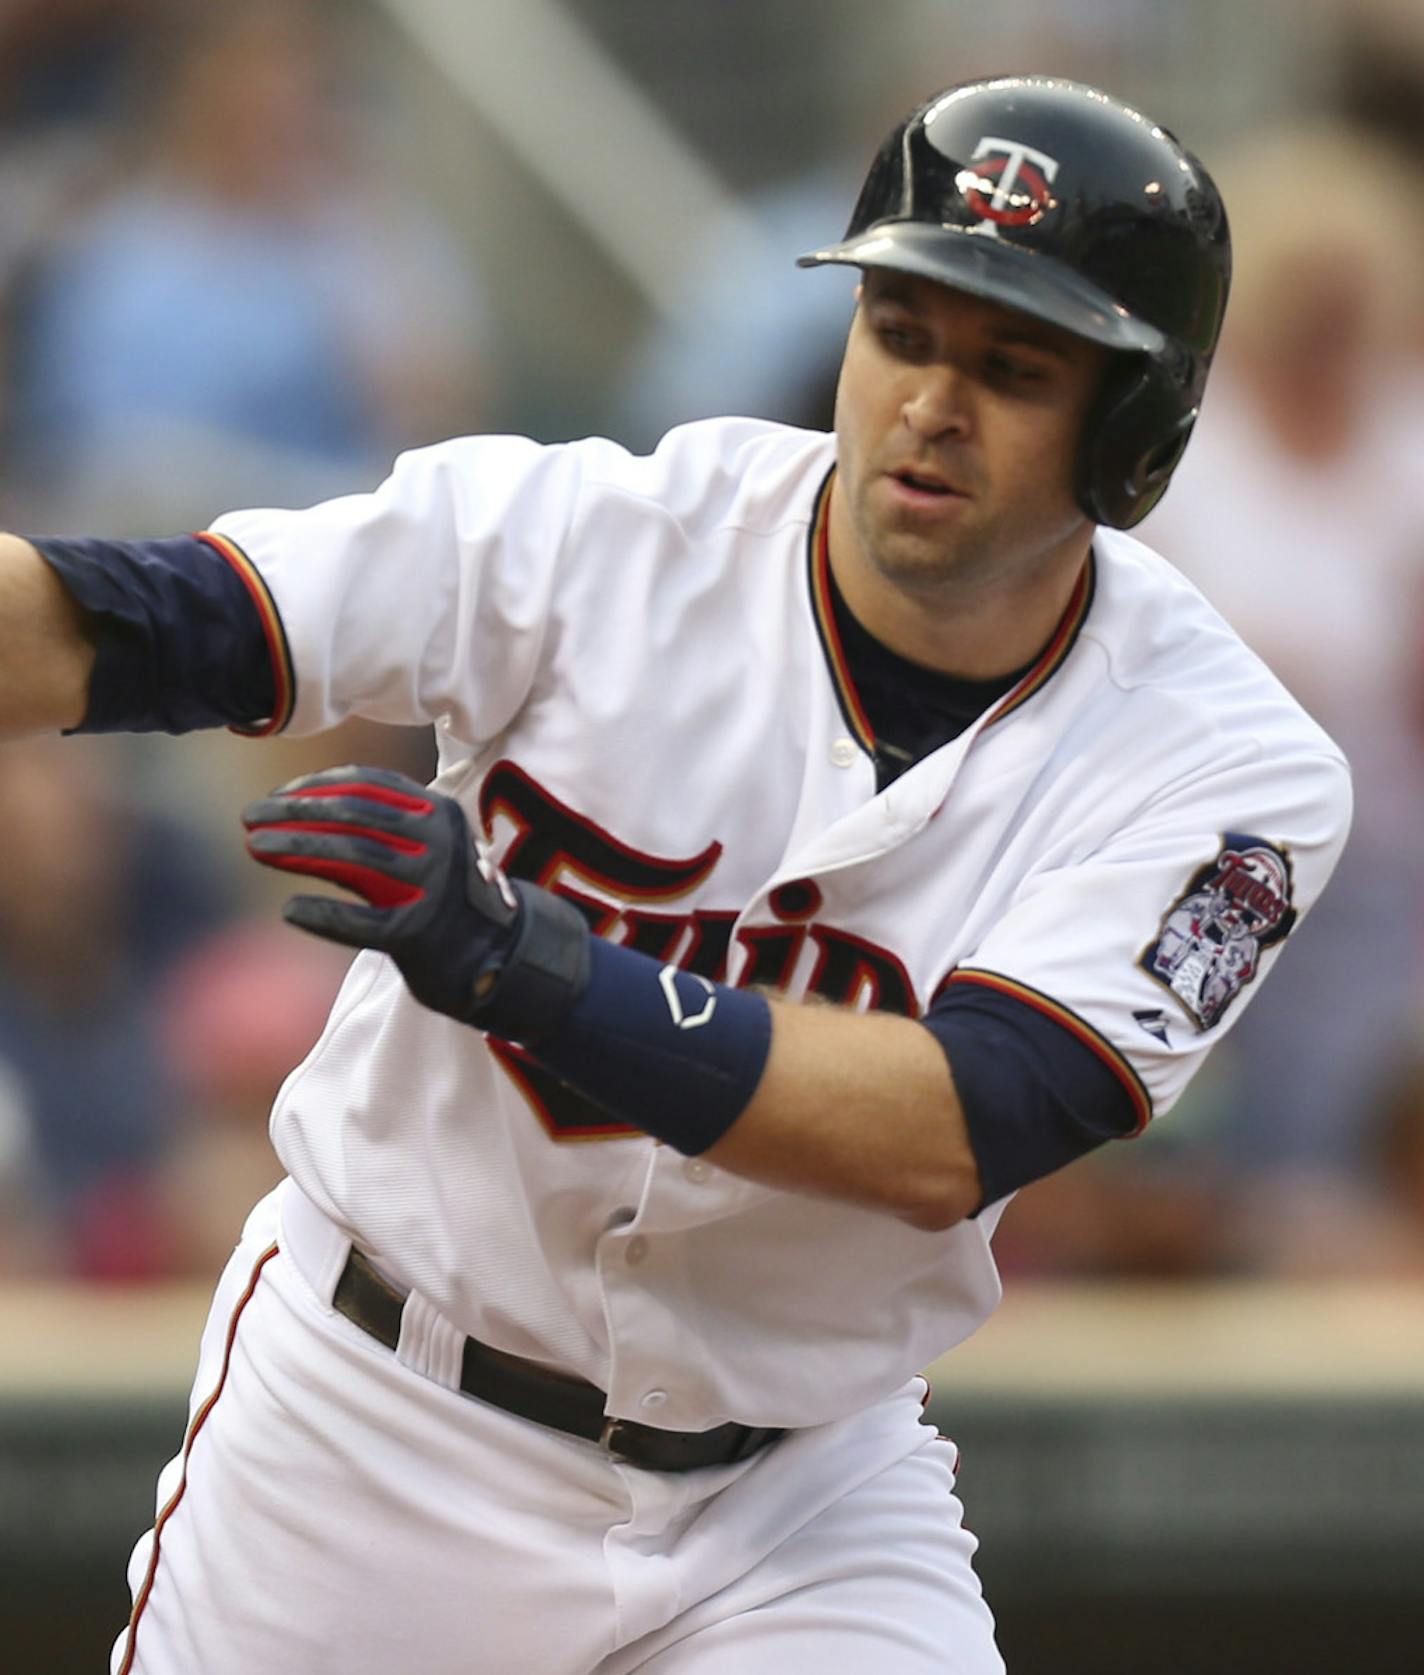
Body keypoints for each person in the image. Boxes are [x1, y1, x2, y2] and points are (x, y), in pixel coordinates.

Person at [0, 76, 1349, 1675]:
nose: (930, 401)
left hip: (794, 1501)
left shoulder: (1228, 772)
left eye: (1015, 366)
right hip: (377, 1424)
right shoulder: (600, 535)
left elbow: (958, 1124)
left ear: (1137, 430)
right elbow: (128, 622)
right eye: (904, 331)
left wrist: (532, 969)